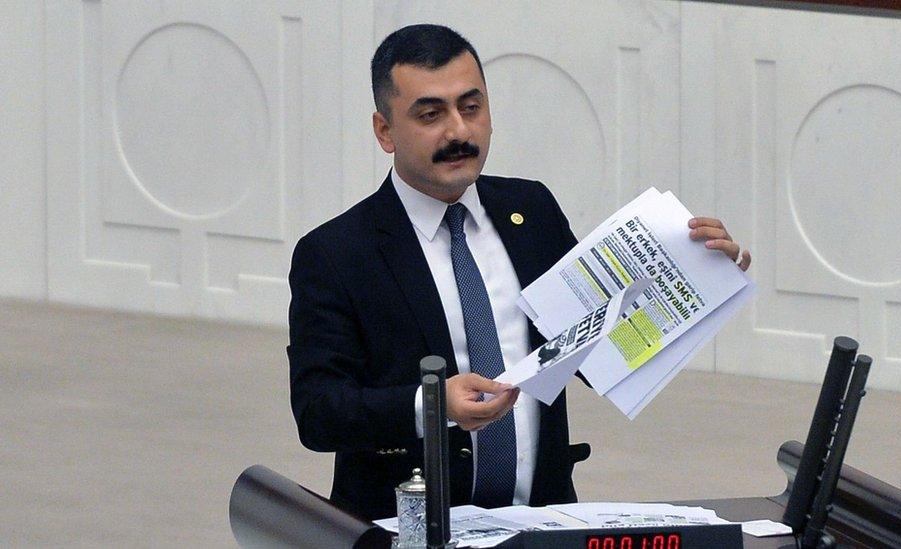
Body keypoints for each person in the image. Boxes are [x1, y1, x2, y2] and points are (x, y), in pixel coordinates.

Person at [287, 24, 751, 522]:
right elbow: (320, 413)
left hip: (541, 520)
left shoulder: (531, 210)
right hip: (412, 527)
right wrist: (432, 405)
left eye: (472, 107)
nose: (459, 132)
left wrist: (704, 276)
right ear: (384, 130)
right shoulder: (335, 254)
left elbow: (602, 353)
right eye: (430, 114)